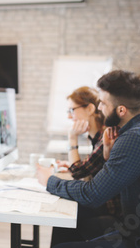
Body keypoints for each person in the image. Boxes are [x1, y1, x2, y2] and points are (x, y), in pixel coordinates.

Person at [37, 70, 140, 248]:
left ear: (121, 110)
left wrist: (49, 180)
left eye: (103, 103)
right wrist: (109, 157)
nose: (99, 108)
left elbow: (91, 195)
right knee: (64, 227)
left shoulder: (135, 139)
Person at [51, 86, 121, 246]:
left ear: (90, 108)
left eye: (72, 110)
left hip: (112, 213)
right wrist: (71, 166)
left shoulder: (106, 138)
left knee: (63, 214)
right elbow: (86, 170)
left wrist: (72, 139)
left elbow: (78, 172)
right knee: (63, 213)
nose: (70, 117)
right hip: (104, 204)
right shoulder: (97, 138)